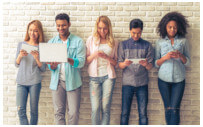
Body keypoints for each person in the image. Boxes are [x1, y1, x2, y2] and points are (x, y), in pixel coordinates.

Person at [47, 13, 86, 125]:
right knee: (58, 112)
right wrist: (52, 66)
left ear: (69, 24)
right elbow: (51, 66)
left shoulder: (78, 41)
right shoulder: (52, 42)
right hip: (57, 82)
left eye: (63, 25)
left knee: (73, 112)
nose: (60, 28)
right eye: (58, 25)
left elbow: (81, 62)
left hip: (73, 82)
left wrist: (69, 59)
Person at [155, 11, 190, 125]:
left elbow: (188, 62)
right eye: (170, 27)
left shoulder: (183, 41)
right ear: (165, 27)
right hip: (163, 80)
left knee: (175, 109)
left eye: (175, 27)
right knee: (168, 108)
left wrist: (180, 56)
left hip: (179, 80)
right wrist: (165, 57)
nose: (172, 30)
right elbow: (156, 63)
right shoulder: (159, 42)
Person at [118, 19, 154, 125]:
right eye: (133, 33)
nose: (136, 35)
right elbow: (119, 65)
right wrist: (124, 64)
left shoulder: (147, 45)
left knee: (143, 113)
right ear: (129, 30)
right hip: (127, 83)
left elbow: (150, 66)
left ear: (142, 31)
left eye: (138, 33)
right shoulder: (123, 45)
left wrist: (146, 64)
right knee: (124, 113)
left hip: (142, 83)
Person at [86, 15, 118, 125]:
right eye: (99, 28)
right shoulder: (91, 40)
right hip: (94, 78)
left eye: (104, 28)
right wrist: (95, 54)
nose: (102, 31)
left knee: (105, 107)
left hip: (108, 77)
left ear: (109, 28)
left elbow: (116, 63)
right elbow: (86, 61)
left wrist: (107, 57)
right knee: (95, 108)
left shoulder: (114, 42)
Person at [15, 20, 46, 125]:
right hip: (21, 82)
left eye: (36, 31)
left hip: (35, 82)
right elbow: (16, 64)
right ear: (28, 31)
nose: (32, 33)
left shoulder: (42, 47)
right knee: (21, 110)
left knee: (34, 112)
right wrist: (20, 56)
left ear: (39, 32)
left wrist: (37, 58)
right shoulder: (21, 44)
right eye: (31, 30)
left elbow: (43, 69)